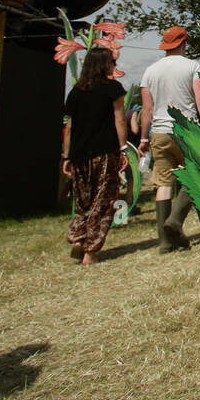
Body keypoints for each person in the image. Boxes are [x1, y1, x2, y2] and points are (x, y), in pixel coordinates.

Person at [138, 26, 200, 253]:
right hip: (185, 129)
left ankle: (164, 241)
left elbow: (147, 109)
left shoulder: (149, 72)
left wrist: (143, 137)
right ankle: (175, 220)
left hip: (159, 132)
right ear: (184, 44)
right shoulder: (192, 66)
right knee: (194, 173)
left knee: (163, 182)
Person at [61, 47, 127, 264]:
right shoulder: (112, 89)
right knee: (103, 199)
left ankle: (78, 238)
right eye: (111, 62)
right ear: (103, 64)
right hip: (105, 151)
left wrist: (66, 156)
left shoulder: (76, 92)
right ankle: (90, 250)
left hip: (79, 153)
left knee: (82, 200)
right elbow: (119, 119)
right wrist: (123, 148)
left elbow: (69, 126)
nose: (113, 66)